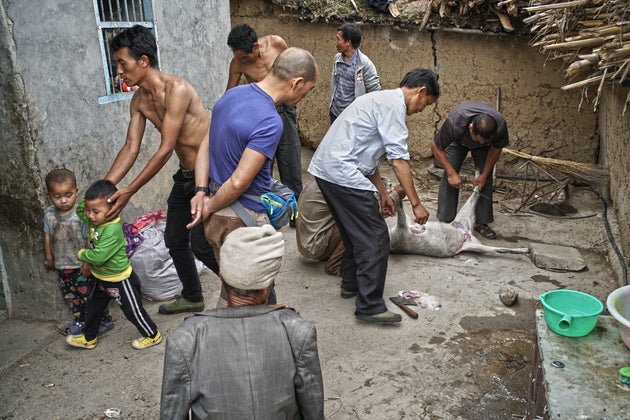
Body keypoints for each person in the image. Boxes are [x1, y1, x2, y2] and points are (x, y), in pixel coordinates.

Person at [308, 69, 440, 324]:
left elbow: (369, 158)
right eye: (427, 103)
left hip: (328, 170)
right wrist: (417, 204)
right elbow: (399, 161)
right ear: (421, 91)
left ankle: (351, 283)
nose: (423, 109)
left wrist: (382, 193)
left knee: (352, 232)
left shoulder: (380, 101)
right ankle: (369, 306)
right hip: (342, 172)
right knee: (376, 237)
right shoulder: (394, 107)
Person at [188, 47, 318, 306]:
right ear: (297, 82)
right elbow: (239, 182)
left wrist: (202, 193)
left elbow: (205, 144)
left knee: (234, 286)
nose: (305, 95)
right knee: (254, 292)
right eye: (309, 89)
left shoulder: (231, 96)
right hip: (242, 218)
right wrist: (210, 205)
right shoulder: (270, 121)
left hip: (216, 211)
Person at [104, 25, 218, 316]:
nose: (119, 71)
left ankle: (250, 292)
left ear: (143, 61)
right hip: (185, 176)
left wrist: (129, 190)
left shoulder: (176, 90)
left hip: (212, 175)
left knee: (207, 244)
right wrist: (105, 188)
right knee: (174, 239)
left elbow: (166, 148)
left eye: (122, 63)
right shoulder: (140, 100)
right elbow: (131, 147)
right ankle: (193, 296)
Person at [160, 225, 324, 419]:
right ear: (266, 288)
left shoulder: (185, 339)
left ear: (222, 277)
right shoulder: (297, 331)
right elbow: (313, 407)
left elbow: (171, 414)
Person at [66, 180, 162, 350]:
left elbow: (99, 256)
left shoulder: (111, 230)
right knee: (94, 308)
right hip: (102, 278)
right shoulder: (95, 220)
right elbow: (81, 209)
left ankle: (152, 334)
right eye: (89, 211)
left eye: (95, 211)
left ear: (112, 210)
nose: (89, 215)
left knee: (132, 311)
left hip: (120, 279)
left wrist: (82, 254)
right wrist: (89, 203)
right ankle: (89, 338)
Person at [226, 23, 303, 199]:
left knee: (290, 165)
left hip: (284, 112)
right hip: (260, 117)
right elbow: (230, 96)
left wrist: (294, 99)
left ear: (255, 47)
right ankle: (267, 213)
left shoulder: (276, 44)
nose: (242, 61)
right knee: (261, 168)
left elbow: (295, 68)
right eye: (239, 58)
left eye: (245, 57)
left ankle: (295, 212)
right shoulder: (237, 64)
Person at [43, 169, 114, 336]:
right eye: (57, 196)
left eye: (68, 195)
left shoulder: (81, 215)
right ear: (49, 195)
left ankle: (104, 320)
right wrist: (49, 257)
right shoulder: (48, 214)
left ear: (76, 190)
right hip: (63, 265)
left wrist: (87, 261)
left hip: (81, 266)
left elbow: (89, 238)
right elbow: (47, 236)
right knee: (72, 297)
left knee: (89, 296)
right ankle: (80, 320)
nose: (64, 201)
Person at [431, 100, 509, 240]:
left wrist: (484, 175)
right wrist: (451, 173)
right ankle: (446, 219)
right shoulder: (456, 121)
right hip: (458, 141)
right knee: (451, 172)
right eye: (477, 139)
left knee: (484, 179)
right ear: (470, 127)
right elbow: (436, 146)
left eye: (482, 141)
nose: (478, 143)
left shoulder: (500, 126)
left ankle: (481, 222)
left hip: (486, 147)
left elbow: (496, 149)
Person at [296, 178, 406, 276]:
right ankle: (335, 266)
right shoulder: (341, 182)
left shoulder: (324, 176)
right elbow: (369, 217)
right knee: (359, 223)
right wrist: (395, 197)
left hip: (308, 241)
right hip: (317, 245)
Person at [329, 23, 381, 124]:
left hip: (353, 117)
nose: (336, 43)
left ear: (348, 42)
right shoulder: (337, 59)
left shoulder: (364, 64)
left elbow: (375, 91)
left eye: (338, 39)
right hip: (335, 113)